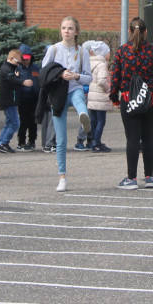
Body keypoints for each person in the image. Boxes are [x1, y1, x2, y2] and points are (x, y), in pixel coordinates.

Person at [110, 16, 153, 190]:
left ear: (129, 32)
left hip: (129, 99)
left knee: (132, 139)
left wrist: (114, 98)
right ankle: (149, 177)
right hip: (151, 100)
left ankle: (131, 178)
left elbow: (115, 78)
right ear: (146, 32)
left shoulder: (122, 51)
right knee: (148, 137)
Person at [43, 16, 93, 192]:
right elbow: (44, 72)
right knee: (61, 139)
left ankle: (83, 117)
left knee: (79, 98)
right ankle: (62, 176)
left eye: (70, 28)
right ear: (60, 30)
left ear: (76, 31)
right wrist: (60, 74)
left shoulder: (82, 52)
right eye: (64, 28)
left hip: (74, 88)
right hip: (58, 93)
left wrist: (76, 76)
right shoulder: (54, 49)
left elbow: (89, 76)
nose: (67, 31)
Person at [0, 47, 29, 153]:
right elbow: (11, 78)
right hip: (8, 100)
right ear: (11, 58)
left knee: (9, 122)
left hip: (11, 99)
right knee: (15, 123)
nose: (18, 65)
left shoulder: (11, 68)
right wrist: (22, 81)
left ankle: (1, 143)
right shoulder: (6, 68)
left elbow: (12, 77)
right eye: (17, 62)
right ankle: (4, 142)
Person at [84, 41, 113, 153]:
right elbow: (102, 81)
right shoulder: (101, 65)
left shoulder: (91, 63)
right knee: (101, 121)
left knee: (94, 121)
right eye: (108, 52)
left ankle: (93, 141)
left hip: (92, 97)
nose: (109, 55)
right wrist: (108, 89)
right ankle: (97, 143)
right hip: (100, 97)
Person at [16, 44, 41, 151]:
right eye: (24, 59)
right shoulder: (17, 69)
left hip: (34, 98)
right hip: (23, 98)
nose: (26, 61)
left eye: (28, 59)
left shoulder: (36, 68)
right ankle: (21, 141)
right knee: (23, 120)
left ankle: (32, 140)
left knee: (33, 121)